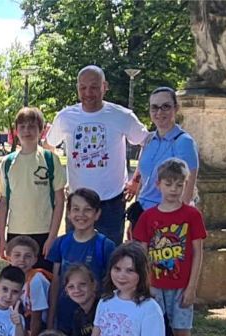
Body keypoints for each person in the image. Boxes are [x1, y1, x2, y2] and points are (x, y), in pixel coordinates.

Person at [46, 66, 150, 243]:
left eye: (94, 87)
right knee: (75, 255)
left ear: (105, 86)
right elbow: (49, 145)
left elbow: (147, 143)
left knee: (110, 256)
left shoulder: (121, 115)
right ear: (77, 88)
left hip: (111, 203)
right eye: (83, 87)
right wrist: (58, 181)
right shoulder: (65, 117)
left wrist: (136, 180)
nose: (88, 93)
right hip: (77, 204)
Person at [132, 158, 207, 336]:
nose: (174, 189)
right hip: (155, 286)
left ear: (186, 185)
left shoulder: (191, 215)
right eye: (168, 184)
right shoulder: (148, 217)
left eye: (179, 184)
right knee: (154, 332)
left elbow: (197, 251)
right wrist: (145, 285)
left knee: (181, 330)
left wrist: (192, 286)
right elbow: (142, 254)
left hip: (181, 285)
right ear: (158, 184)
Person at [0, 107, 67, 272]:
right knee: (17, 280)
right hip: (16, 231)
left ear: (41, 131)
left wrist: (52, 236)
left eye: (32, 126)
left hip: (44, 232)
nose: (27, 130)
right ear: (16, 131)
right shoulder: (8, 163)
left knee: (42, 279)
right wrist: (2, 239)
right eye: (22, 126)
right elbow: (4, 203)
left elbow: (60, 201)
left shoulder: (50, 159)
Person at [125, 87, 199, 235]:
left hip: (167, 219)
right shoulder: (149, 140)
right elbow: (143, 182)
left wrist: (176, 227)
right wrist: (135, 216)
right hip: (143, 215)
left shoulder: (184, 142)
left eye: (165, 106)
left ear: (176, 108)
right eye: (154, 107)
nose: (159, 112)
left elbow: (188, 189)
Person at [47, 187, 116, 323]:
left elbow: (111, 286)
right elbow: (56, 283)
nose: (81, 214)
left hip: (95, 319)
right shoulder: (60, 243)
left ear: (97, 214)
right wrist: (50, 318)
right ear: (69, 213)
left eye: (87, 210)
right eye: (76, 209)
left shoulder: (105, 246)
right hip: (65, 317)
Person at [6, 235, 51, 336]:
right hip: (25, 322)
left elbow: (37, 321)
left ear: (35, 260)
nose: (22, 260)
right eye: (17, 255)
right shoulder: (12, 277)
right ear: (8, 257)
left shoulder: (36, 280)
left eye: (27, 256)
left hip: (41, 326)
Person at [53, 263, 98, 336]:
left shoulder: (103, 307)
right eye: (71, 287)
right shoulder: (77, 316)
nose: (77, 290)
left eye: (82, 284)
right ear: (66, 291)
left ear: (93, 285)